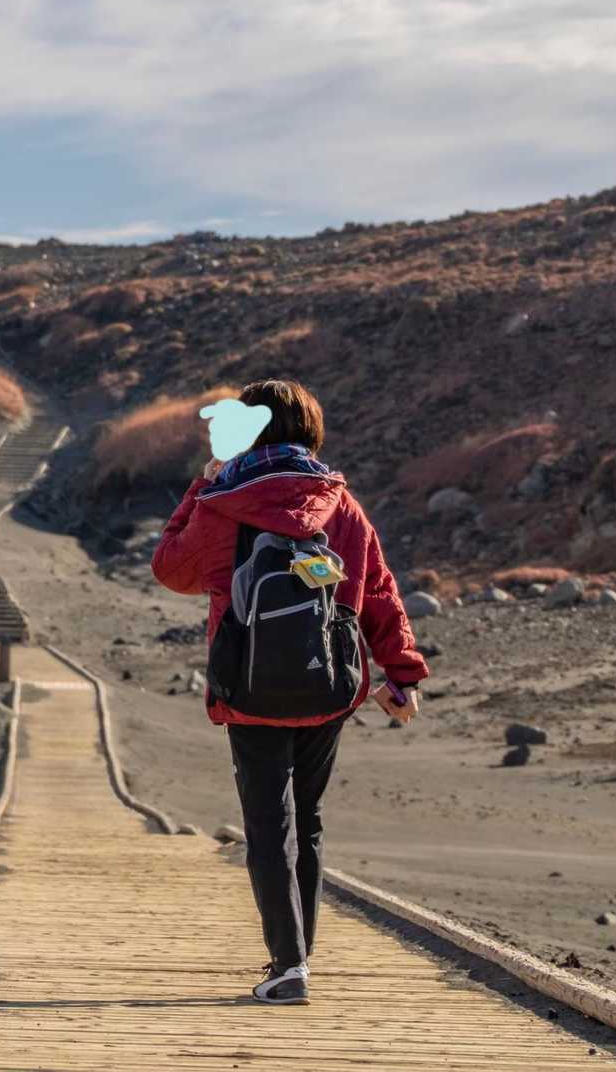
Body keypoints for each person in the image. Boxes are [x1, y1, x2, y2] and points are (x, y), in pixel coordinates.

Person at [151, 378, 429, 1006]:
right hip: (328, 684)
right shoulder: (341, 505)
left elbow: (170, 569)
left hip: (248, 689)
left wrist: (200, 486)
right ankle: (299, 957)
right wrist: (403, 674)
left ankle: (289, 963)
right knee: (309, 821)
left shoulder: (223, 504)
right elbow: (378, 592)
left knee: (268, 825)